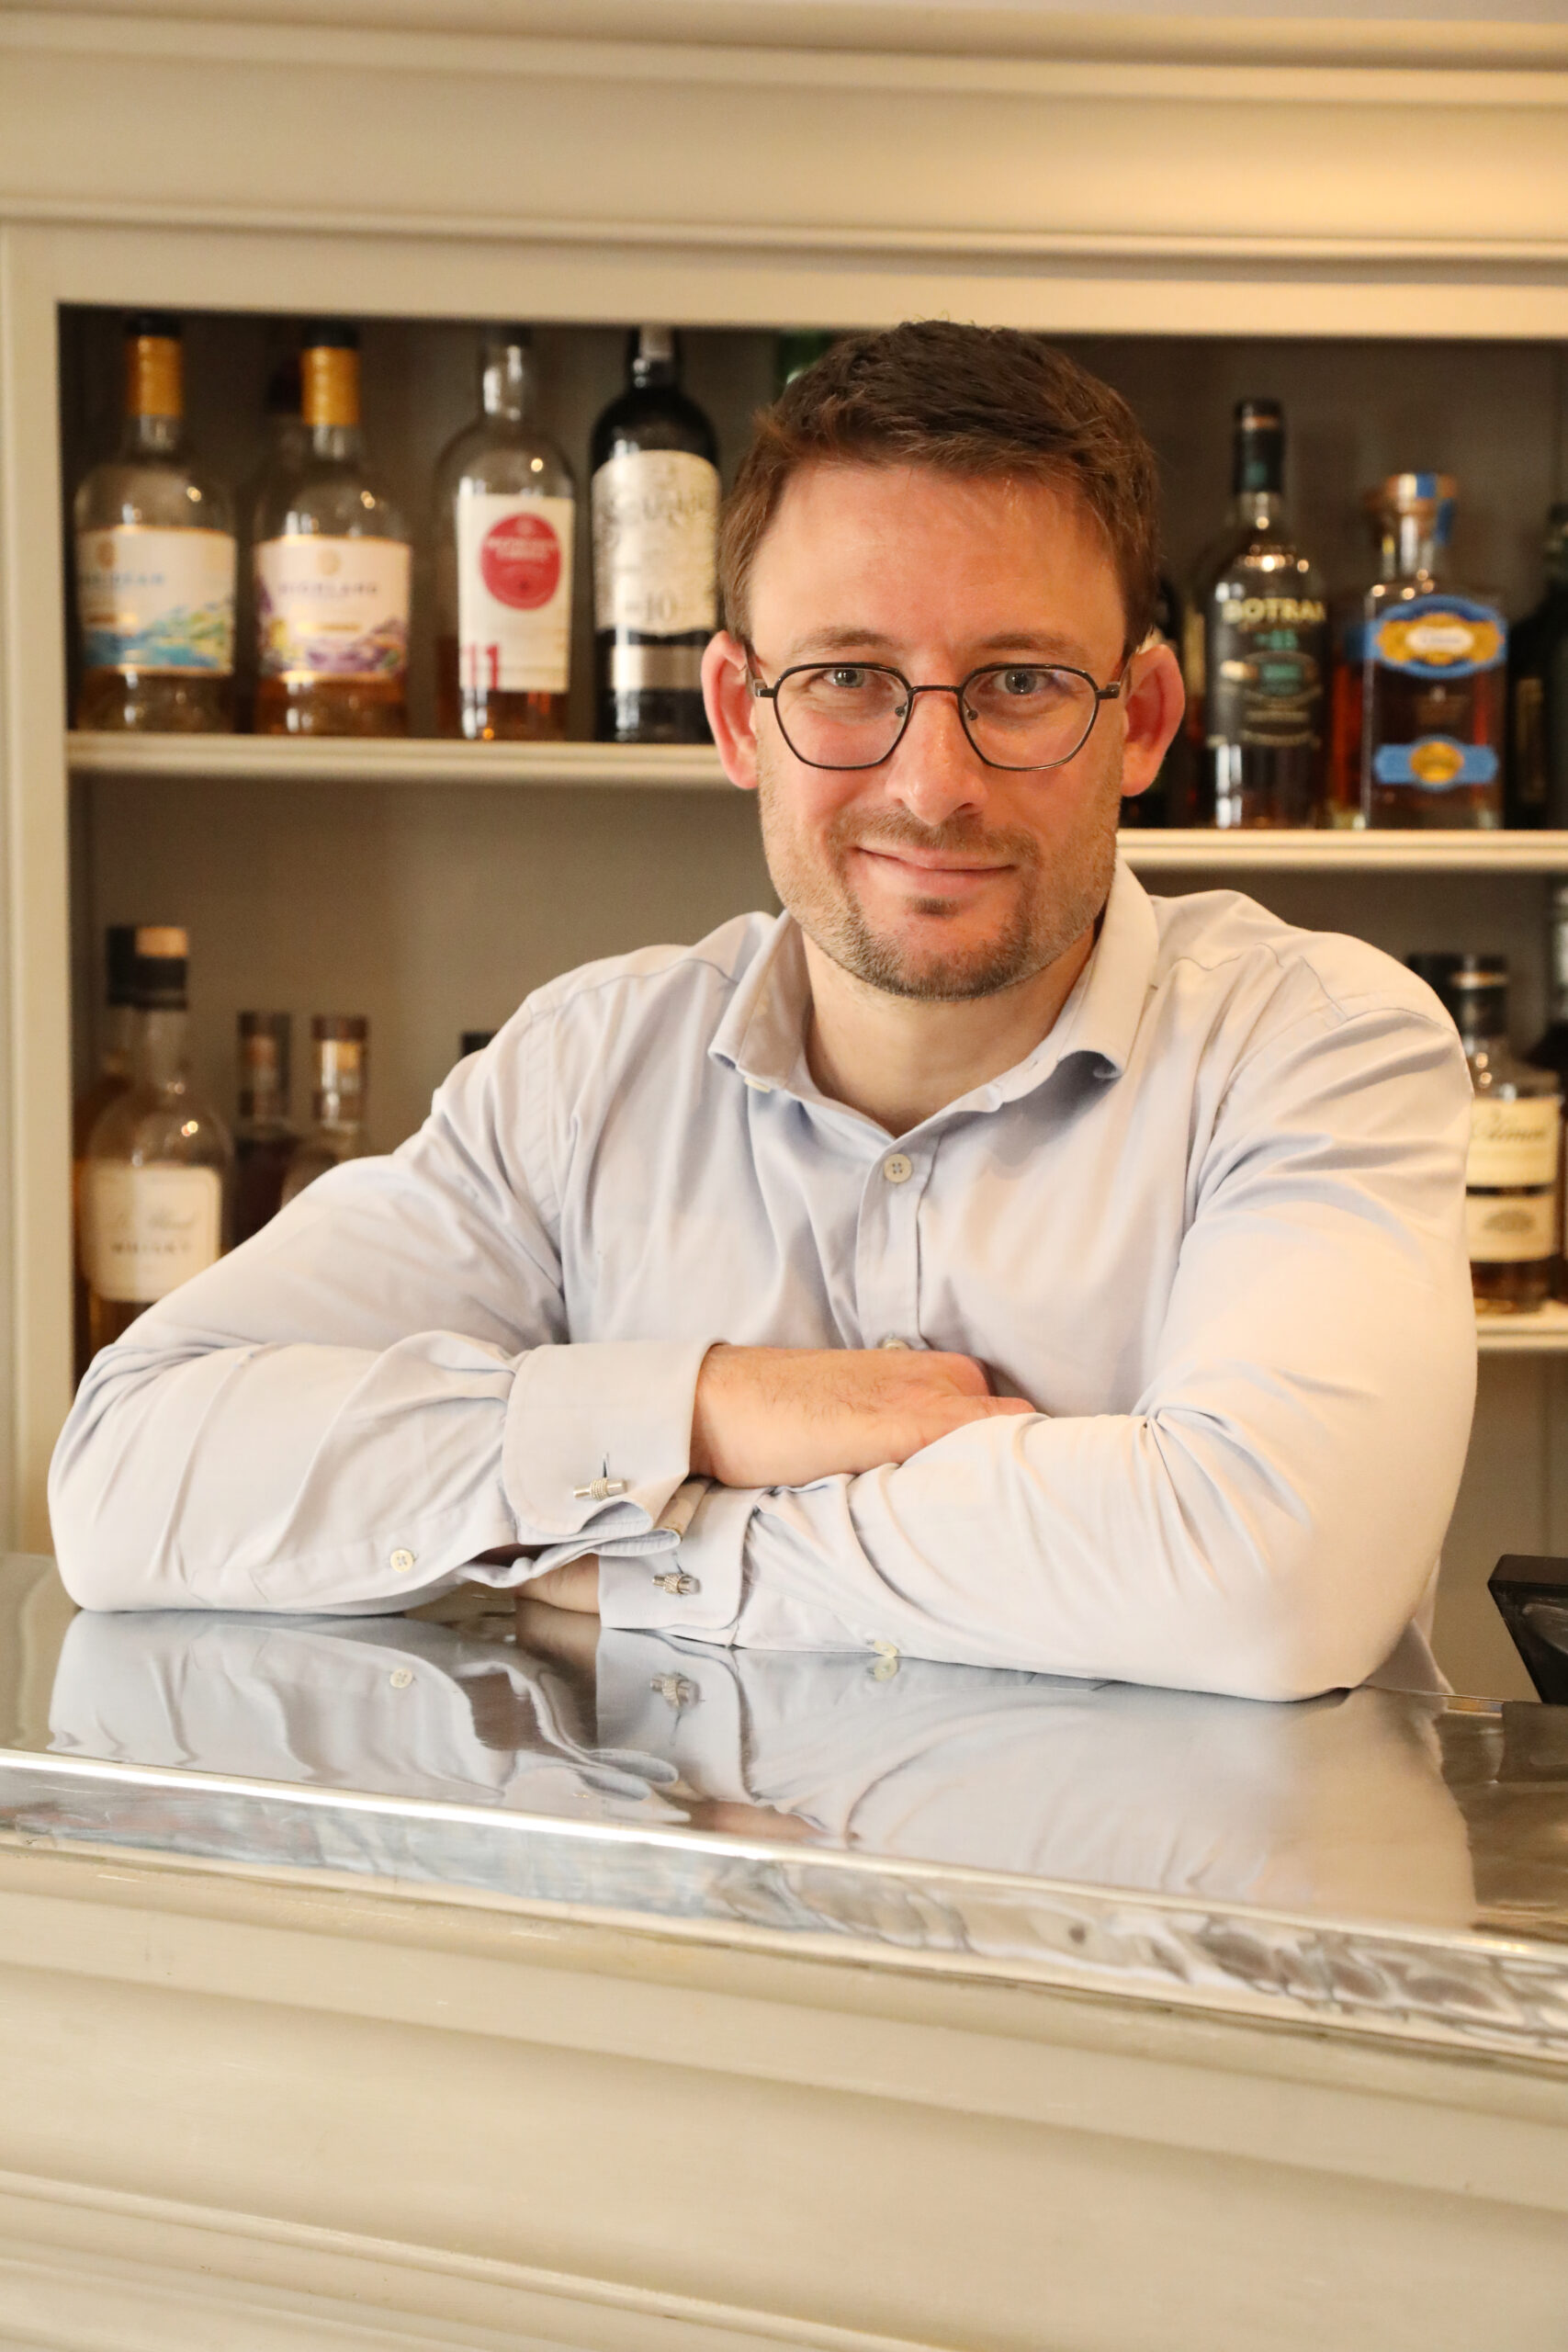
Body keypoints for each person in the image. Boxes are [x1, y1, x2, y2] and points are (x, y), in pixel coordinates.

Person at [50, 323, 1475, 1701]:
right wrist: (708, 1405)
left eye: (1021, 684)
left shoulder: (1317, 1046)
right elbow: (125, 1478)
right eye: (847, 677)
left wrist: (653, 1546)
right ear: (738, 714)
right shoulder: (582, 1075)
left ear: (1144, 721)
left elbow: (1272, 1587)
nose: (933, 784)